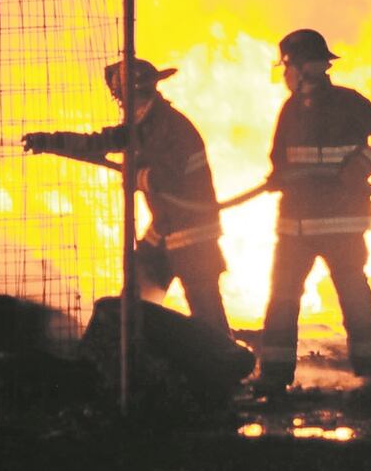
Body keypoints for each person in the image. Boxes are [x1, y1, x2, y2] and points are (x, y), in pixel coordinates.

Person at [22, 59, 232, 336]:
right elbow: (95, 143)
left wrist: (139, 177)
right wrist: (48, 142)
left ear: (134, 94)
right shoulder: (142, 124)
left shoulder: (171, 126)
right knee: (138, 294)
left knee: (207, 317)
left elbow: (168, 176)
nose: (120, 104)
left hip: (194, 235)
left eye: (121, 97)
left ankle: (225, 368)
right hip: (165, 229)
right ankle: (136, 353)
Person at [258, 29, 371, 394]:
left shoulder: (349, 103)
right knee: (282, 297)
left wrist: (364, 165)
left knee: (352, 296)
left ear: (303, 68)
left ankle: (370, 377)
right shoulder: (291, 109)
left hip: (340, 225)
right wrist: (279, 177)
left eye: (287, 67)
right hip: (295, 226)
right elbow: (280, 158)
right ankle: (275, 378)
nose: (285, 76)